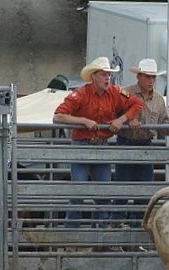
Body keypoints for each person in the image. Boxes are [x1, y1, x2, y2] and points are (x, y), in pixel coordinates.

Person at [53, 57, 144, 228]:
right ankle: (72, 235)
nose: (107, 78)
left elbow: (137, 104)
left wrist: (122, 119)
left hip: (99, 144)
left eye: (109, 74)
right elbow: (58, 116)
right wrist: (83, 121)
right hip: (83, 145)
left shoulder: (115, 92)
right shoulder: (80, 94)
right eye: (104, 74)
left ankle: (98, 237)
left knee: (103, 194)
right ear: (94, 76)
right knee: (79, 193)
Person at [114, 58, 169, 226]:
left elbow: (162, 127)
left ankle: (137, 225)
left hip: (145, 144)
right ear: (139, 77)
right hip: (127, 142)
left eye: (153, 77)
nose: (151, 80)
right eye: (147, 77)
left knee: (144, 190)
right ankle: (117, 223)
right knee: (122, 188)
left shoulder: (159, 99)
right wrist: (127, 119)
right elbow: (113, 115)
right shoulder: (125, 93)